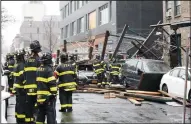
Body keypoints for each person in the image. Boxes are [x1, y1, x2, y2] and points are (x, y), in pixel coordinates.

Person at [36, 52, 57, 124]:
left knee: (40, 114)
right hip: (48, 97)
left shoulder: (38, 69)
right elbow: (52, 84)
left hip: (39, 97)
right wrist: (54, 93)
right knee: (50, 115)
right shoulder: (49, 70)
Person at [24, 40, 41, 123]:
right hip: (37, 87)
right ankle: (36, 119)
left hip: (28, 87)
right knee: (37, 105)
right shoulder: (39, 60)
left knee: (29, 105)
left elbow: (24, 74)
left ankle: (29, 121)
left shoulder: (27, 61)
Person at [13, 49, 26, 124]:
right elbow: (22, 76)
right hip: (21, 89)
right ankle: (21, 120)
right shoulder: (21, 65)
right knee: (21, 105)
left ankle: (18, 118)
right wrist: (26, 84)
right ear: (21, 56)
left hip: (17, 88)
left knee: (18, 104)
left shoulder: (16, 64)